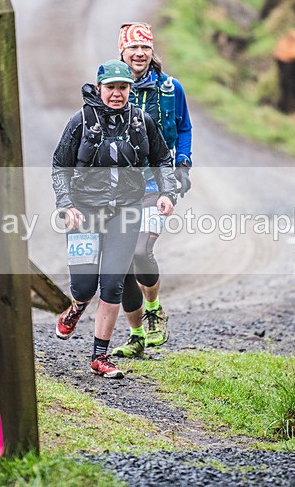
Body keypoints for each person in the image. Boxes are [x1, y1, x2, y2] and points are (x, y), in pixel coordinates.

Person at [51, 59, 179, 378]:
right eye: (111, 88)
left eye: (123, 87)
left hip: (126, 210)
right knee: (83, 285)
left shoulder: (141, 121)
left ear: (129, 89)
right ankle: (77, 306)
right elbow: (59, 165)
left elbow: (162, 157)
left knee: (112, 283)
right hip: (85, 210)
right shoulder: (80, 120)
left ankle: (100, 356)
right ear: (99, 88)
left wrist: (167, 192)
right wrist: (67, 204)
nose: (117, 94)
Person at [111, 22, 194, 359]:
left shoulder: (171, 89)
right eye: (133, 48)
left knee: (141, 251)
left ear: (151, 51)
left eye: (145, 48)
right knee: (123, 263)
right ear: (123, 52)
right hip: (118, 187)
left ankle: (155, 309)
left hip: (157, 184)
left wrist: (183, 166)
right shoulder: (112, 88)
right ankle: (135, 336)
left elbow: (185, 127)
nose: (140, 53)